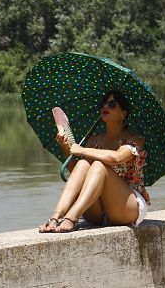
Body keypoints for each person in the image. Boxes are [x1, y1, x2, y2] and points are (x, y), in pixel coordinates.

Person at [38, 90, 150, 233]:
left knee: (98, 166)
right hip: (98, 211)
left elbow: (117, 158)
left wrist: (82, 150)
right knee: (83, 164)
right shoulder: (94, 140)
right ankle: (55, 217)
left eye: (112, 104)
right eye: (103, 103)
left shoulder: (135, 139)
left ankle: (71, 217)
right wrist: (66, 147)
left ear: (124, 113)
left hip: (126, 207)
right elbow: (76, 173)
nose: (106, 107)